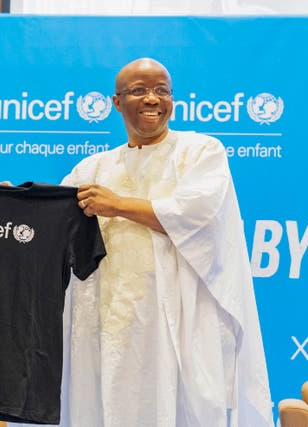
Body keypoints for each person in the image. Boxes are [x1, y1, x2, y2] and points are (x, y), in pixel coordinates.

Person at [59, 58, 274, 426]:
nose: (152, 99)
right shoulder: (92, 169)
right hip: (106, 325)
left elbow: (196, 214)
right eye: (139, 90)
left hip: (176, 324)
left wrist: (117, 205)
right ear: (116, 102)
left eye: (161, 90)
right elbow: (53, 218)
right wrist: (6, 202)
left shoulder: (200, 152)